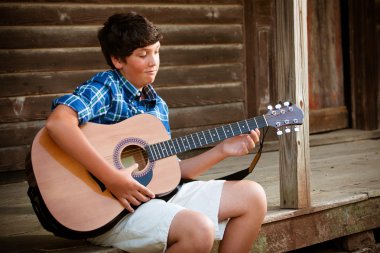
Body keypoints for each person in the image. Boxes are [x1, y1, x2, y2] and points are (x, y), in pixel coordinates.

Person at [45, 12, 267, 253]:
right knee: (198, 229)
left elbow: (170, 173)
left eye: (157, 51)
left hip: (153, 199)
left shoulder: (156, 105)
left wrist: (222, 150)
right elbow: (58, 124)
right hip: (111, 209)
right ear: (118, 60)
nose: (154, 61)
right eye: (143, 54)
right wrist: (112, 179)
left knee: (252, 196)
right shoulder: (107, 87)